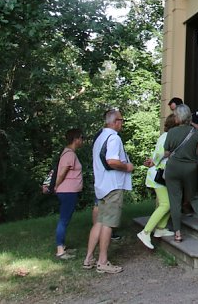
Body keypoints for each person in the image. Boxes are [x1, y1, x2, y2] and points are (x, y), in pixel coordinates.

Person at [83, 108, 133, 273]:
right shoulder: (113, 138)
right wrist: (126, 166)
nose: (122, 123)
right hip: (112, 186)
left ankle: (88, 259)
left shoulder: (99, 137)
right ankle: (103, 262)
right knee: (108, 224)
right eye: (121, 120)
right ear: (114, 122)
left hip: (101, 185)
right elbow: (112, 161)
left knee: (99, 222)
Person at [164, 103, 198, 242]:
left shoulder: (171, 132)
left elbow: (166, 153)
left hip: (173, 167)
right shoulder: (195, 132)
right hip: (190, 168)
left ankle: (177, 233)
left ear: (178, 117)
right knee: (193, 195)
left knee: (175, 200)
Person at [137, 113, 178, 249]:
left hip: (164, 175)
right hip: (159, 175)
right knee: (166, 204)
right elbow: (160, 154)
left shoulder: (167, 136)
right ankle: (145, 232)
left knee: (170, 203)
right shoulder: (166, 137)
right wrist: (166, 154)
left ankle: (160, 228)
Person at [52, 128, 84, 259]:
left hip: (69, 191)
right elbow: (62, 172)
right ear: (76, 139)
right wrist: (56, 185)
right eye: (81, 138)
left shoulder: (69, 153)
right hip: (67, 191)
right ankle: (60, 250)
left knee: (65, 219)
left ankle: (62, 246)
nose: (83, 141)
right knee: (64, 220)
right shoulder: (70, 154)